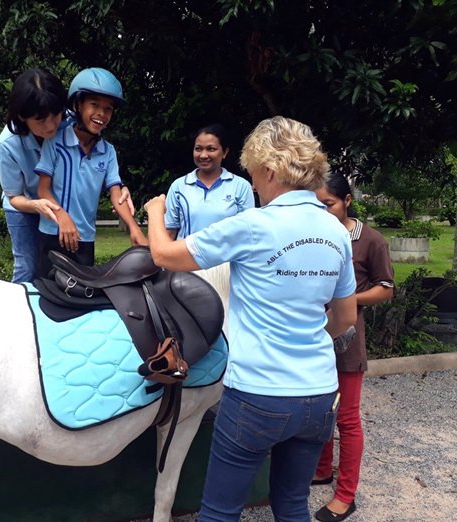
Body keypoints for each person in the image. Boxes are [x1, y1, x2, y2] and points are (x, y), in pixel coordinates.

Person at [144, 115, 358, 521]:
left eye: (255, 173)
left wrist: (156, 212)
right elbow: (345, 317)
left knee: (220, 512)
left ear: (271, 170)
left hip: (258, 396)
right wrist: (306, 335)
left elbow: (164, 256)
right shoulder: (335, 232)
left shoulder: (254, 225)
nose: (253, 183)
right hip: (318, 396)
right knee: (293, 505)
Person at [0, 68, 134, 283]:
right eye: (40, 120)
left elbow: (96, 155)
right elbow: (14, 196)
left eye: (55, 115)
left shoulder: (72, 121)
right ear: (23, 117)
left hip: (62, 206)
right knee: (27, 264)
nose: (51, 126)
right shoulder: (8, 144)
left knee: (77, 275)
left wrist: (118, 187)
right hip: (24, 203)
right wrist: (44, 207)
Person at [312, 172, 394, 522]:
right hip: (312, 338)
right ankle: (321, 469)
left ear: (347, 201)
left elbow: (386, 288)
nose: (322, 211)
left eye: (328, 204)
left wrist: (346, 299)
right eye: (316, 205)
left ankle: (346, 495)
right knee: (319, 411)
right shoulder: (313, 236)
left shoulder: (370, 240)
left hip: (347, 339)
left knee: (346, 418)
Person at [34, 67, 147, 277]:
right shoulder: (55, 142)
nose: (101, 114)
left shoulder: (108, 152)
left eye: (108, 109)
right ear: (77, 104)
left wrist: (134, 228)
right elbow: (43, 190)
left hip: (84, 238)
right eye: (94, 105)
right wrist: (62, 218)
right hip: (52, 233)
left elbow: (116, 193)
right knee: (47, 294)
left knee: (82, 296)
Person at [165, 123, 254, 239]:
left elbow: (247, 232)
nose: (203, 155)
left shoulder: (241, 186)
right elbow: (170, 233)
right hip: (186, 256)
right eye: (198, 149)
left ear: (225, 152)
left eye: (211, 149)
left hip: (226, 257)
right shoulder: (178, 187)